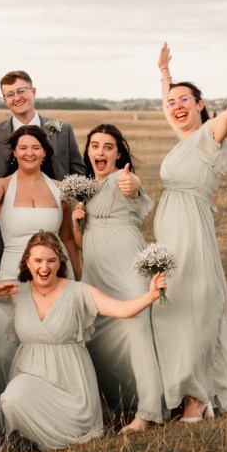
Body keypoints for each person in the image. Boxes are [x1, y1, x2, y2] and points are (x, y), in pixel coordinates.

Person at [0, 232, 167, 452]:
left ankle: (59, 435)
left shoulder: (78, 292)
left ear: (60, 262)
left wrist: (151, 295)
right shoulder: (16, 291)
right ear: (27, 263)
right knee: (12, 399)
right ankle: (39, 436)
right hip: (31, 379)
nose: (44, 267)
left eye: (51, 260)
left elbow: (121, 309)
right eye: (38, 261)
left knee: (75, 425)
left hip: (71, 386)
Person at [154, 42, 227, 421]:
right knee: (172, 307)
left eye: (184, 100)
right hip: (170, 232)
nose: (176, 106)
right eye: (172, 103)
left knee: (196, 307)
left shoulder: (210, 135)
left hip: (191, 232)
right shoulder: (185, 138)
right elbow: (169, 107)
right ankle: (183, 388)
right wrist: (166, 76)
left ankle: (198, 397)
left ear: (201, 105)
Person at [0, 125, 82, 386]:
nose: (29, 153)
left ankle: (53, 395)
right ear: (14, 153)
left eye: (35, 148)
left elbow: (67, 239)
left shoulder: (59, 188)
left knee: (53, 339)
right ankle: (13, 402)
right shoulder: (2, 186)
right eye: (23, 148)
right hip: (13, 273)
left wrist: (78, 278)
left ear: (45, 153)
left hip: (54, 272)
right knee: (7, 346)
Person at [72, 124, 166, 432]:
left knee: (137, 325)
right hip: (96, 267)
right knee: (98, 334)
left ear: (118, 153)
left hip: (127, 261)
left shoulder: (121, 178)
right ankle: (124, 403)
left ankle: (149, 411)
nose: (100, 151)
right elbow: (81, 242)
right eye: (95, 145)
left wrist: (132, 181)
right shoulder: (85, 188)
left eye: (108, 146)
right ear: (88, 152)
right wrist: (77, 222)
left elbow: (133, 186)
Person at [0, 70, 84, 274]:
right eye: (10, 94)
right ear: (4, 99)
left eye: (21, 91)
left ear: (33, 91)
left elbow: (79, 178)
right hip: (4, 242)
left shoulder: (63, 130)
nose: (17, 98)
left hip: (54, 238)